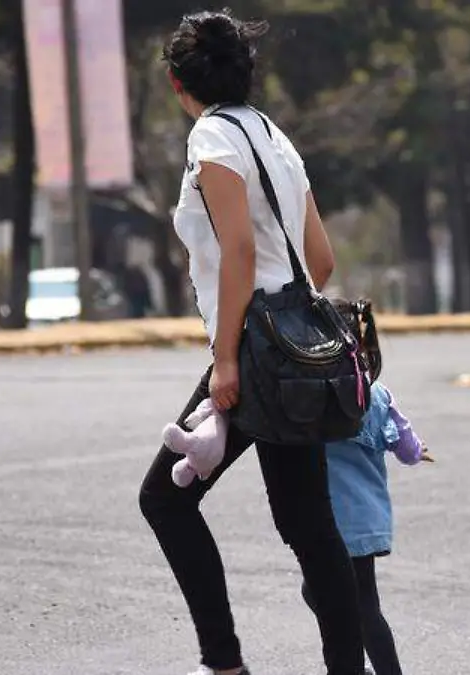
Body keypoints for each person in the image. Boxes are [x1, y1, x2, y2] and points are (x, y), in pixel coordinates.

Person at [138, 10, 363, 675]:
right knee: (310, 526)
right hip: (300, 345)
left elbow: (237, 249)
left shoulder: (212, 136)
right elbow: (320, 260)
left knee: (165, 499)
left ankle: (224, 663)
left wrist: (227, 359)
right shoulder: (274, 135)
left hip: (252, 348)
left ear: (177, 83)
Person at [302, 381, 427, 675]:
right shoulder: (379, 394)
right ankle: (355, 661)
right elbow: (407, 449)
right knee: (341, 597)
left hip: (334, 519)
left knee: (356, 603)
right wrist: (418, 451)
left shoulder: (313, 389)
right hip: (366, 517)